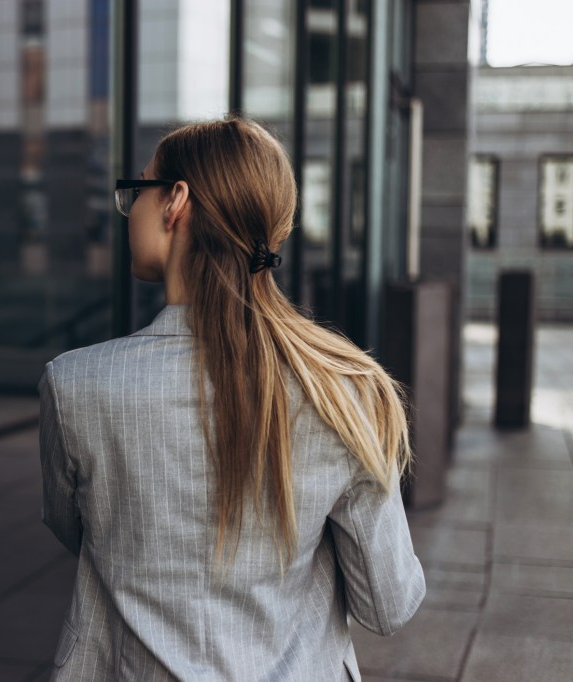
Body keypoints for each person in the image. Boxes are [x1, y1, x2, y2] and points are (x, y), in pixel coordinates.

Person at [38, 116, 425, 681]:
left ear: (176, 202)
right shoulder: (345, 389)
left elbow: (77, 529)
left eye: (137, 191)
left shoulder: (75, 385)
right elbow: (387, 604)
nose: (130, 210)